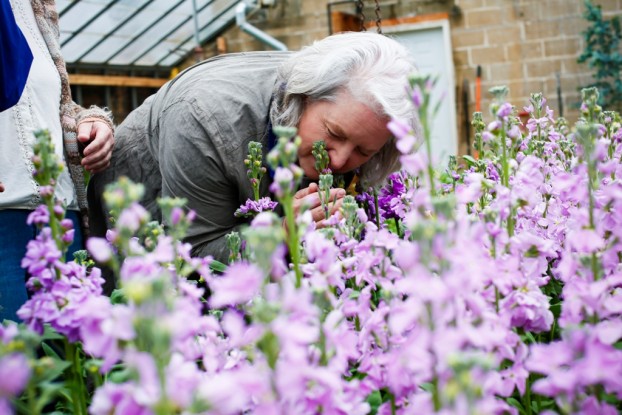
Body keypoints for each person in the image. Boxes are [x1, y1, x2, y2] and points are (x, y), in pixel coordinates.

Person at [88, 31, 420, 266]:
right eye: (333, 134)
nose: (340, 161)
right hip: (142, 222)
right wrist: (282, 234)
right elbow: (192, 258)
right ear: (303, 97)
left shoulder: (341, 109)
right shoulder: (206, 118)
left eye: (364, 151)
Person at [0, 0, 115, 322]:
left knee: (73, 354)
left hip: (61, 217)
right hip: (4, 220)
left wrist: (92, 121)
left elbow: (57, 105)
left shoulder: (38, 9)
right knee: (15, 360)